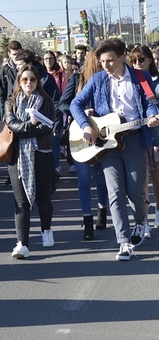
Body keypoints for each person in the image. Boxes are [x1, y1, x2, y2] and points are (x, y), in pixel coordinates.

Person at [71, 38, 159, 261]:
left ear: (122, 58)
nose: (105, 65)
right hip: (107, 143)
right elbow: (75, 104)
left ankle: (141, 221)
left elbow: (151, 102)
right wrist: (85, 126)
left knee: (135, 191)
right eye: (102, 61)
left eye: (110, 60)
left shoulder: (141, 77)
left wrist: (151, 115)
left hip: (135, 139)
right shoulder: (98, 79)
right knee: (115, 194)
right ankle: (124, 242)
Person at [5, 65, 57, 258]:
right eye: (25, 79)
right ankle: (22, 243)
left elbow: (47, 127)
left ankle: (46, 230)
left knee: (43, 198)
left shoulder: (46, 101)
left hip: (41, 154)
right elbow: (12, 125)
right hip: (17, 157)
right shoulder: (10, 103)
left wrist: (27, 128)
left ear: (38, 81)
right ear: (19, 81)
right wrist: (30, 125)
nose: (28, 83)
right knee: (21, 202)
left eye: (32, 80)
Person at [59, 50, 109, 240]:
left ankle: (102, 210)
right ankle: (87, 220)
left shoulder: (108, 80)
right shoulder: (78, 78)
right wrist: (80, 113)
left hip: (103, 133)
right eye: (99, 61)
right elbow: (63, 104)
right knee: (84, 178)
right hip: (81, 133)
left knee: (102, 177)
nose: (103, 65)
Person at [129, 45, 159, 237]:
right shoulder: (131, 80)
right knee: (140, 183)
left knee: (156, 180)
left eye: (142, 59)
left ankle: (157, 212)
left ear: (150, 60)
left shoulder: (155, 82)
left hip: (156, 137)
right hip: (138, 137)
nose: (138, 64)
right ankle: (144, 221)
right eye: (134, 61)